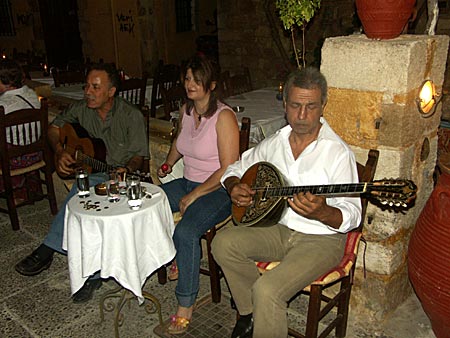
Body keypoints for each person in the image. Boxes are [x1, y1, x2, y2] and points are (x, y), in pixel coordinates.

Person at [211, 67, 362, 338]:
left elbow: (353, 214)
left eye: (311, 106)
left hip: (322, 239)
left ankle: (262, 306)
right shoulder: (274, 143)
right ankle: (249, 313)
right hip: (279, 228)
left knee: (268, 290)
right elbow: (234, 169)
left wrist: (324, 212)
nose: (302, 115)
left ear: (323, 106)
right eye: (295, 105)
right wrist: (235, 187)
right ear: (284, 104)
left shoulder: (338, 153)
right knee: (222, 243)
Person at [15, 62, 149, 303]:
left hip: (120, 177)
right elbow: (53, 129)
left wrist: (127, 168)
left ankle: (78, 267)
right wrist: (59, 151)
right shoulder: (81, 109)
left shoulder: (132, 115)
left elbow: (139, 156)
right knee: (83, 190)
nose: (88, 91)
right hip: (94, 173)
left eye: (95, 87)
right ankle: (67, 258)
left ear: (111, 91)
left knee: (89, 198)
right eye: (87, 86)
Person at [157, 55, 239, 335]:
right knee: (150, 203)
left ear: (212, 84)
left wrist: (195, 196)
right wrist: (167, 164)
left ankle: (185, 304)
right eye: (187, 78)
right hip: (187, 181)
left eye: (197, 79)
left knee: (187, 232)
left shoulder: (224, 117)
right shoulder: (186, 111)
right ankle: (172, 257)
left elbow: (229, 168)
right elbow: (179, 145)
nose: (190, 83)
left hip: (218, 190)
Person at [0, 59, 42, 202]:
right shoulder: (32, 94)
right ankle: (28, 188)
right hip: (36, 153)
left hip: (13, 160)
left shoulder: (3, 105)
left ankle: (12, 188)